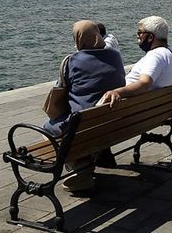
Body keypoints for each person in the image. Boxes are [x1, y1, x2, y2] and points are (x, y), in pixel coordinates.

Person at [42, 20, 126, 192]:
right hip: (113, 121)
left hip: (82, 125)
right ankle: (85, 163)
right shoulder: (115, 56)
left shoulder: (72, 61)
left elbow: (61, 88)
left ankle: (82, 167)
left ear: (78, 38)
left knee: (46, 129)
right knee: (84, 124)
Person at [100, 16, 172, 106]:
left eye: (140, 33)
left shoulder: (155, 56)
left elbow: (144, 83)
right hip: (154, 109)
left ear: (150, 37)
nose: (137, 36)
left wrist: (117, 92)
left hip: (129, 108)